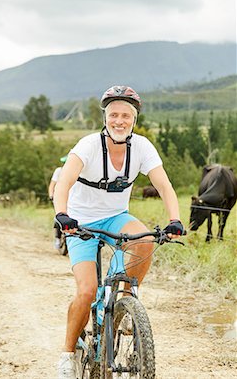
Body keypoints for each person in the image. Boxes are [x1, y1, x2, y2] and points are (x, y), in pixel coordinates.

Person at [54, 85, 184, 379]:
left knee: (145, 240)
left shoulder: (142, 147)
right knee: (86, 291)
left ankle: (125, 302)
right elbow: (63, 183)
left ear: (134, 121)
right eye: (114, 114)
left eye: (126, 116)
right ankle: (67, 354)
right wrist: (62, 215)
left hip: (116, 218)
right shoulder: (87, 145)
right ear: (105, 118)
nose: (119, 120)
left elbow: (164, 186)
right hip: (80, 221)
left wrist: (174, 219)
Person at [48, 156, 68, 249]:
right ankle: (58, 238)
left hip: (72, 199)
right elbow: (52, 185)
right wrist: (51, 195)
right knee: (59, 217)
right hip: (59, 197)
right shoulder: (59, 171)